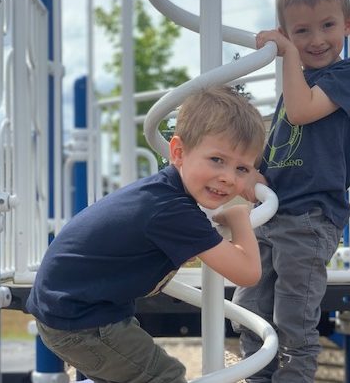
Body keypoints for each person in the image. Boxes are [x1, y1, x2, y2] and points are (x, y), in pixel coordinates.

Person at [26, 85, 267, 383]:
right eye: (217, 160)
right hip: (81, 321)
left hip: (74, 309)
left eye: (242, 169)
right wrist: (239, 215)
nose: (228, 178)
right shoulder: (173, 211)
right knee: (164, 375)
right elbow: (248, 273)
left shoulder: (162, 194)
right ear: (178, 152)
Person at [232, 0, 350, 383]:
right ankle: (258, 377)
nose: (316, 40)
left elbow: (301, 113)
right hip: (273, 214)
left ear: (348, 23)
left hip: (311, 217)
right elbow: (282, 137)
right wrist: (254, 171)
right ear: (288, 32)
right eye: (301, 31)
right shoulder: (297, 84)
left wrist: (288, 54)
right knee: (249, 307)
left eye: (328, 26)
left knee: (294, 316)